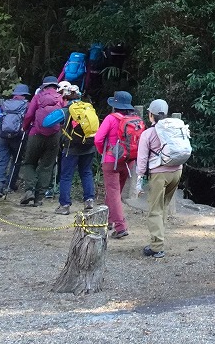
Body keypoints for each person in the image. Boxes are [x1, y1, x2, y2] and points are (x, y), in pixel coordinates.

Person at [134, 99, 184, 258]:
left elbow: (142, 159)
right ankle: (159, 239)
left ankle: (157, 246)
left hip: (159, 174)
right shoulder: (174, 128)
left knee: (155, 209)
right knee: (163, 206)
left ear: (150, 115)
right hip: (177, 171)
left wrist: (139, 179)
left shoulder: (148, 133)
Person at [94, 90, 142, 238]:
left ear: (115, 105)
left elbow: (98, 139)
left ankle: (121, 227)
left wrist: (104, 153)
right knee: (115, 191)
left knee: (113, 192)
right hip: (128, 161)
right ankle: (108, 221)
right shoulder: (135, 119)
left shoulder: (110, 118)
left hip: (111, 161)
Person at [19, 76, 65, 206]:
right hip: (54, 135)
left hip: (36, 133)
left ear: (44, 86)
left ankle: (29, 190)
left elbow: (29, 115)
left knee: (29, 162)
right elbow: (63, 117)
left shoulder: (38, 97)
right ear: (56, 86)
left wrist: (25, 127)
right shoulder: (61, 99)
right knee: (46, 166)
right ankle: (39, 198)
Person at [54, 82, 97, 215]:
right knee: (86, 172)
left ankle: (64, 205)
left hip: (71, 148)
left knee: (66, 176)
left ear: (65, 98)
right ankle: (89, 201)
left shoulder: (66, 110)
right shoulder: (87, 107)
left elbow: (46, 122)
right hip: (89, 145)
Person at [0, 83, 30, 198]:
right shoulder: (26, 105)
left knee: (2, 161)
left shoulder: (4, 104)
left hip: (3, 136)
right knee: (16, 160)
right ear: (25, 95)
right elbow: (29, 119)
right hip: (18, 137)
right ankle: (10, 185)